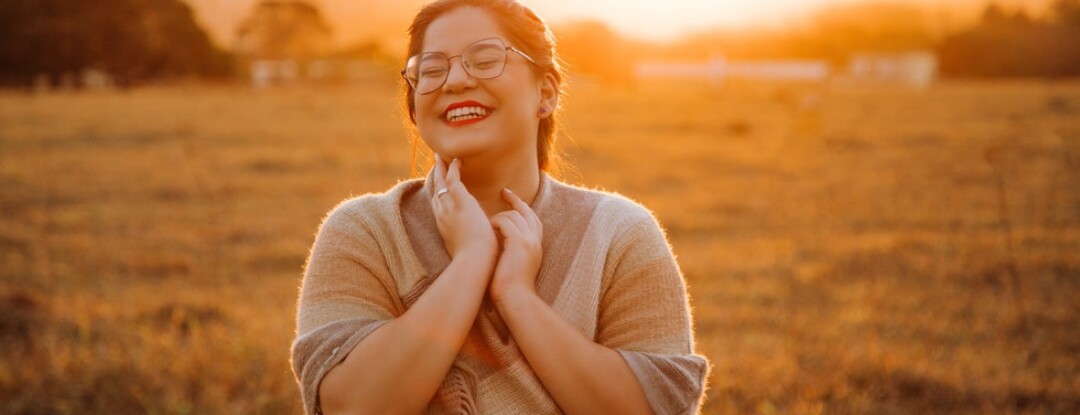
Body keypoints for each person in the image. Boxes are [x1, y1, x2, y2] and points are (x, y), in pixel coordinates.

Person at [290, 0, 709, 413]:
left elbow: (655, 408)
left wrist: (516, 296)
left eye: (485, 59)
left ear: (545, 93)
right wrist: (471, 261)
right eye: (432, 69)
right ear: (414, 107)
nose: (454, 80)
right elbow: (351, 406)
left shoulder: (619, 234)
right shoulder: (363, 232)